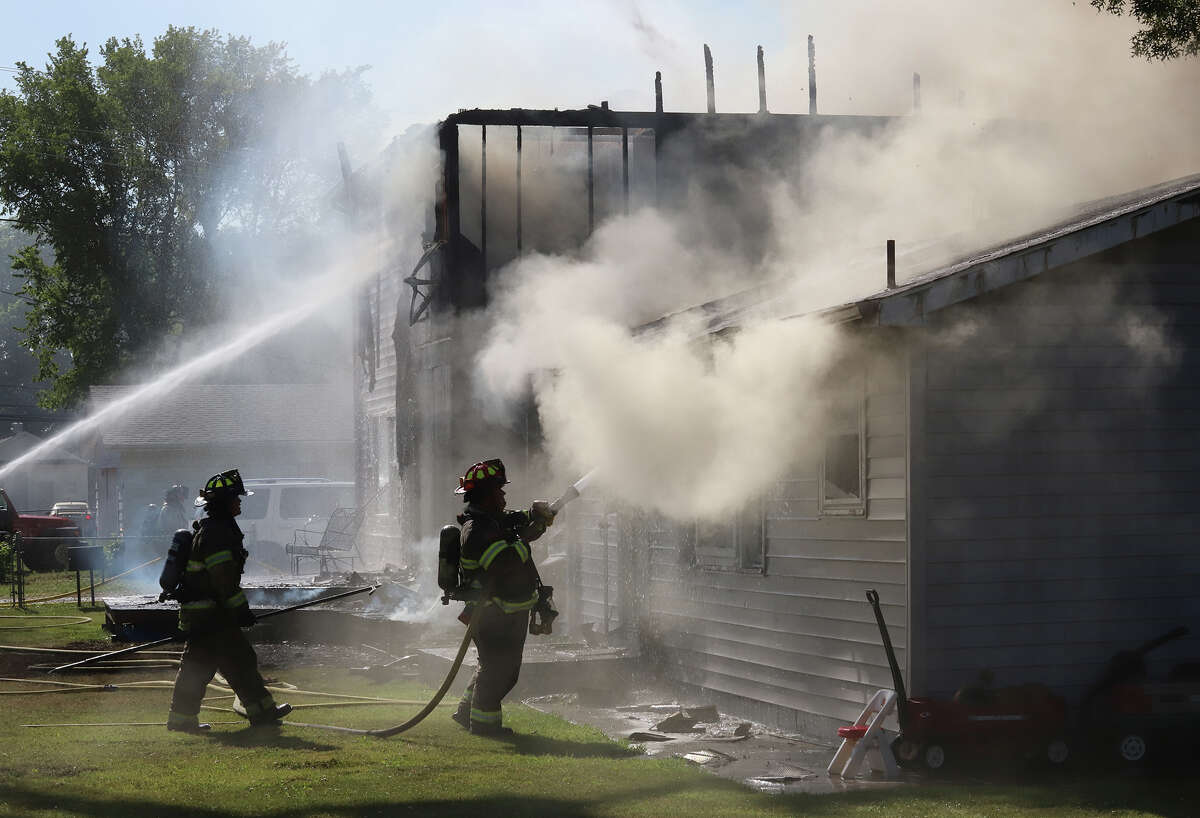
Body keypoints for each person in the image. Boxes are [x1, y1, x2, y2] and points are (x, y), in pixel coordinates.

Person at [166, 468, 291, 733]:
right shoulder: (217, 534)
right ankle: (262, 712)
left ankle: (183, 719)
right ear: (224, 503)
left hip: (206, 613)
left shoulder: (216, 529)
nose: (240, 502)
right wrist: (241, 610)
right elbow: (222, 578)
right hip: (212, 614)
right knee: (237, 660)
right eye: (236, 498)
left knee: (206, 665)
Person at [451, 458, 556, 736]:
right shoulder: (476, 531)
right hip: (494, 613)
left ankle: (466, 712)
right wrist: (525, 539)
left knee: (491, 667)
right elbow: (502, 563)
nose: (503, 494)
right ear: (487, 495)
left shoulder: (490, 519)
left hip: (503, 611)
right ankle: (485, 726)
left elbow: (513, 518)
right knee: (501, 671)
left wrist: (533, 513)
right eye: (499, 490)